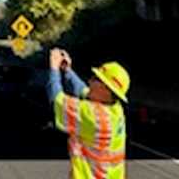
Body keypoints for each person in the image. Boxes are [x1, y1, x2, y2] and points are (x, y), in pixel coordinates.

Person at [47, 48, 130, 179]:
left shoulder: (92, 116)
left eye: (95, 78)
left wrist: (54, 68)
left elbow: (56, 98)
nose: (90, 81)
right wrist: (68, 70)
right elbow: (82, 90)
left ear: (106, 89)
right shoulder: (116, 109)